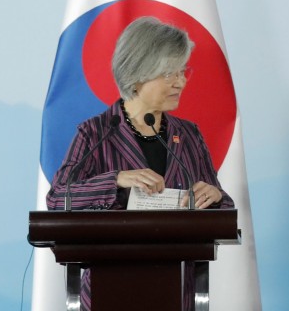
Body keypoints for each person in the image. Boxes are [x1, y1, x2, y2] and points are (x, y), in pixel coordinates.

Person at [47, 16, 233, 310]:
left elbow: (222, 207)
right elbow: (58, 198)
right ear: (137, 75)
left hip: (176, 292)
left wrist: (216, 196)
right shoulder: (95, 133)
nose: (181, 82)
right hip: (107, 291)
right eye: (170, 74)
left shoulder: (188, 135)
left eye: (182, 71)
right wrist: (116, 179)